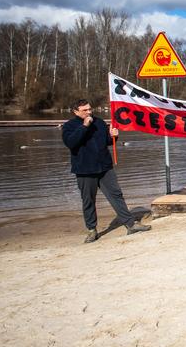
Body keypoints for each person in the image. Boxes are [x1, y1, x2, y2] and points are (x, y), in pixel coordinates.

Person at [62, 99, 151, 243]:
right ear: (75, 111)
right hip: (85, 170)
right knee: (88, 201)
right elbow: (71, 143)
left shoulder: (99, 122)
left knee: (116, 195)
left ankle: (130, 224)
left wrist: (113, 136)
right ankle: (92, 230)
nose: (89, 112)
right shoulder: (69, 126)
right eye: (85, 110)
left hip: (104, 167)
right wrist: (84, 127)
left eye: (90, 109)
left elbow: (108, 142)